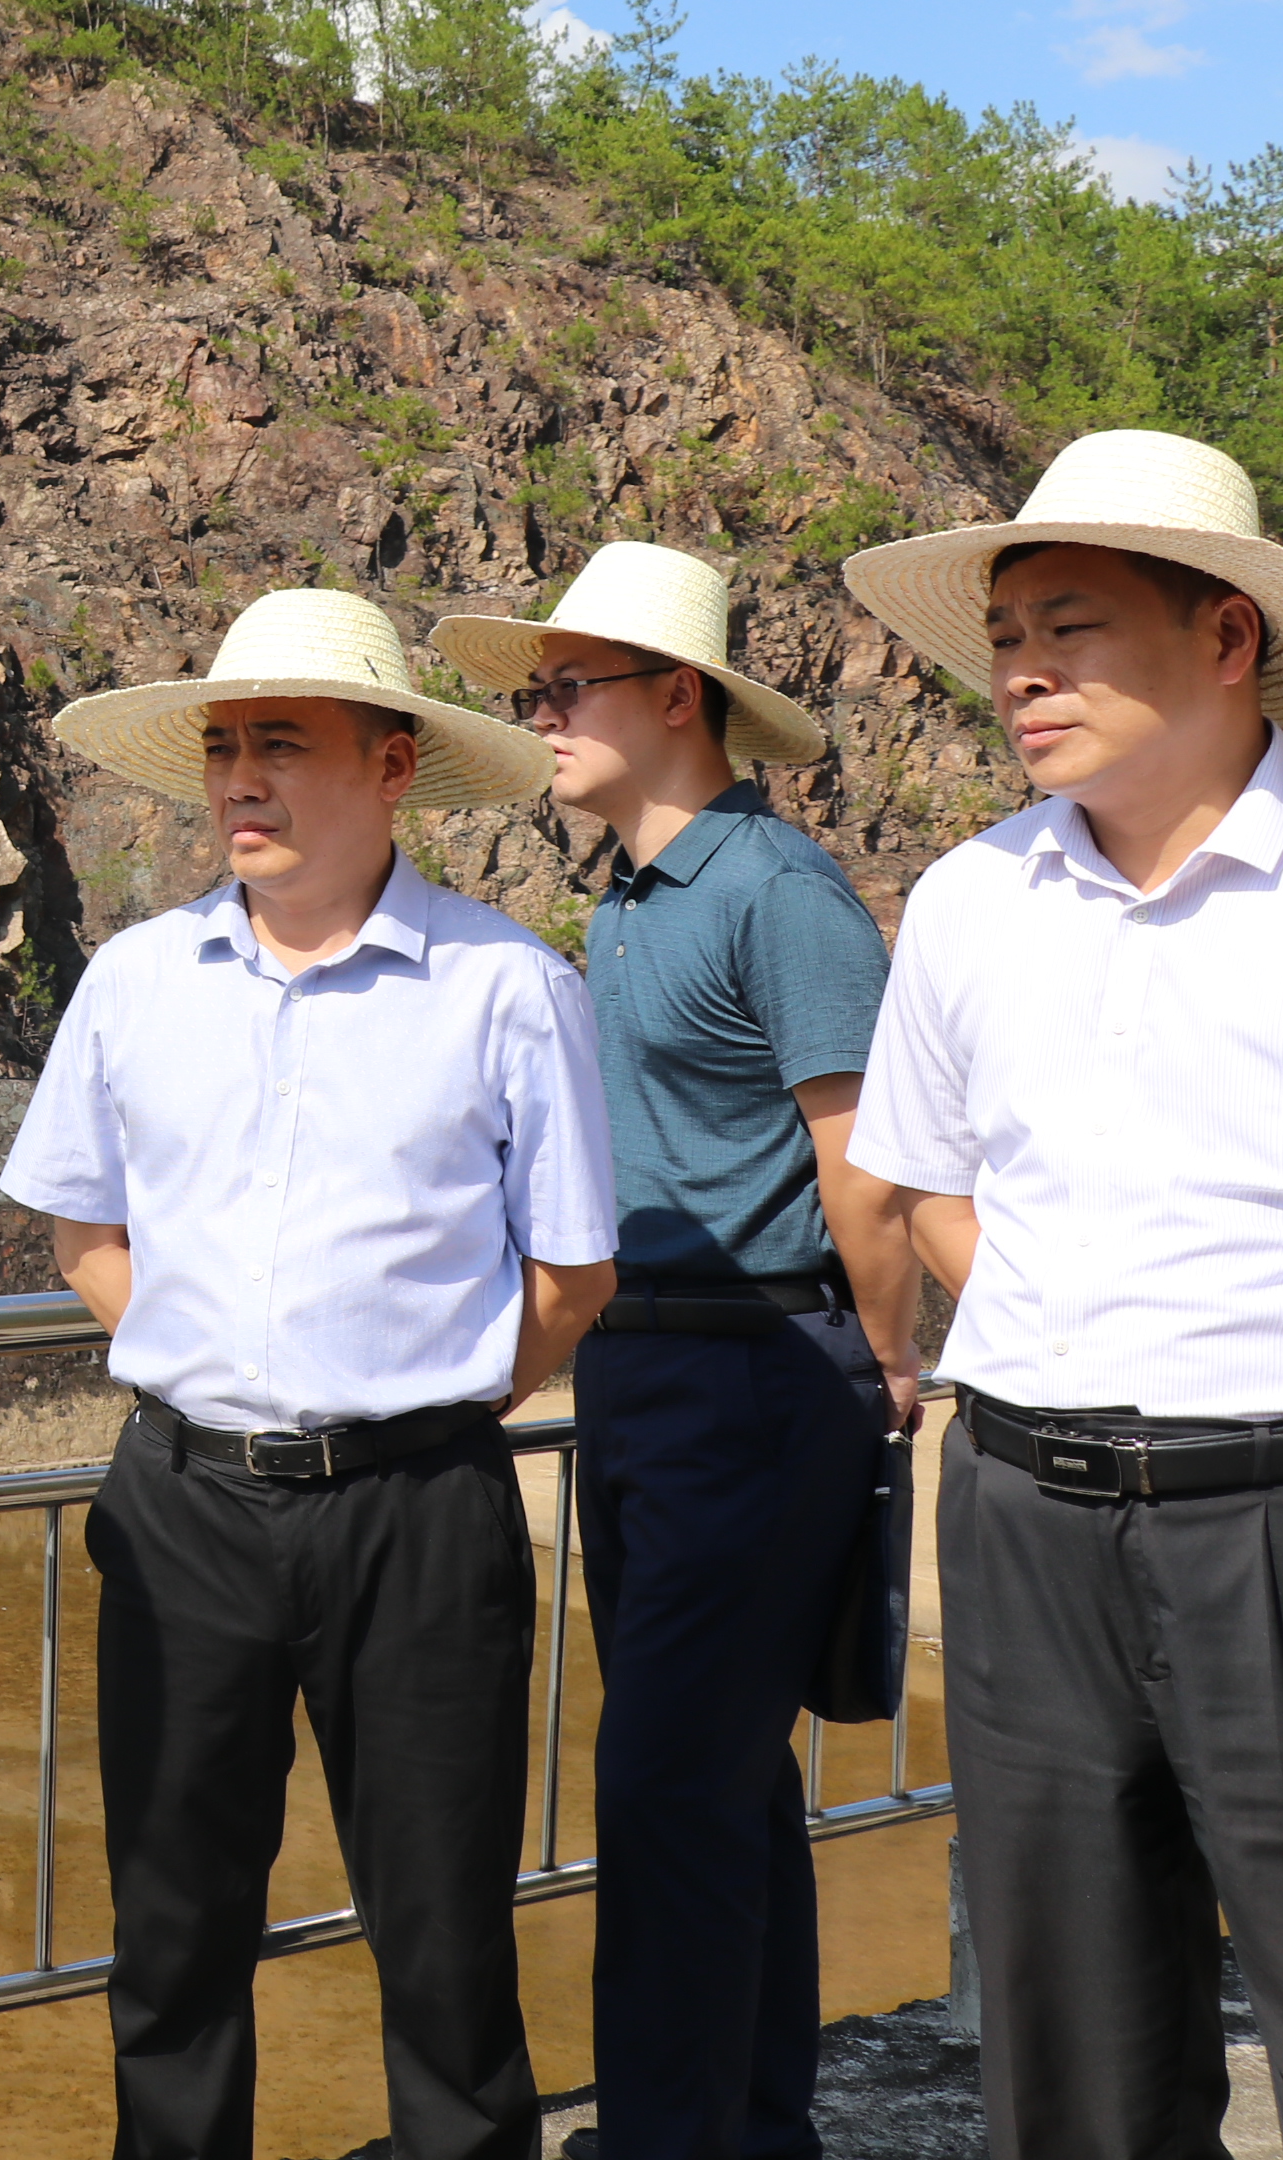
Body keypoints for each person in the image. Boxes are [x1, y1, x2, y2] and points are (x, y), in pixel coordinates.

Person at [1, 585, 619, 2160]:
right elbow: (84, 1227)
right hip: (185, 1502)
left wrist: (437, 1396)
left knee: (445, 1933)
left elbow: (573, 1277)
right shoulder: (137, 980)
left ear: (395, 765)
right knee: (173, 1929)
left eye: (282, 741)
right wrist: (211, 1360)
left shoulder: (508, 988)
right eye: (221, 748)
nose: (240, 780)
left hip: (420, 1510)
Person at [839, 428, 1283, 2158]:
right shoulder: (974, 899)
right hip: (1029, 1515)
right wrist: (1070, 1316)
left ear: (1225, 639)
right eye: (1005, 639)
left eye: (1074, 626)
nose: (1023, 672)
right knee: (1074, 2055)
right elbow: (932, 1181)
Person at [434, 545, 912, 2160]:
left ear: (677, 699)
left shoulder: (778, 896)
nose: (543, 716)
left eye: (568, 690)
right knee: (721, 1790)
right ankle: (748, 2131)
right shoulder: (631, 895)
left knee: (663, 1794)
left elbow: (861, 1161)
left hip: (762, 1373)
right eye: (540, 691)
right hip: (649, 1370)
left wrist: (894, 1366)